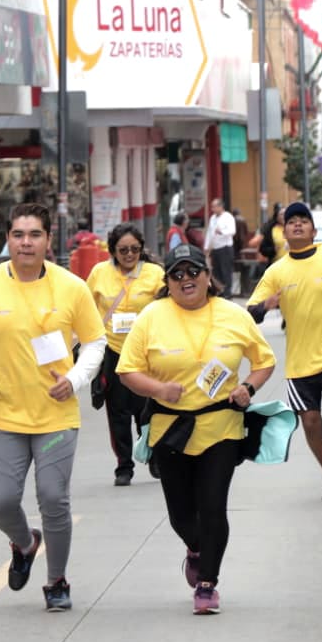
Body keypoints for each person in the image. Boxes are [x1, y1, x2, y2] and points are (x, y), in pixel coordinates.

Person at [0, 203, 106, 613]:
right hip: (5, 413)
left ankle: (56, 580)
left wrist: (75, 380)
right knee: (0, 501)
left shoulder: (71, 287)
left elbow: (95, 342)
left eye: (35, 234)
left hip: (56, 415)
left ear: (47, 240)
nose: (26, 242)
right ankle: (25, 543)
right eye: (19, 234)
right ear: (8, 239)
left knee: (53, 498)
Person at [117, 243, 276, 614]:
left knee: (213, 506)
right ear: (167, 282)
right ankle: (196, 547)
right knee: (181, 514)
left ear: (208, 277)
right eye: (177, 274)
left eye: (193, 272)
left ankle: (207, 584)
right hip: (170, 427)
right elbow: (127, 371)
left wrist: (248, 387)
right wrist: (159, 389)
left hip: (221, 425)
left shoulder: (234, 316)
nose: (186, 279)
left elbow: (264, 361)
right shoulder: (152, 316)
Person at [246, 202, 322, 500]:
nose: (298, 225)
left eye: (304, 220)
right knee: (310, 422)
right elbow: (250, 311)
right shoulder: (277, 271)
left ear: (313, 230)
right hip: (299, 361)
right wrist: (265, 306)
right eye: (292, 222)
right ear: (284, 231)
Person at [86, 223, 165, 486]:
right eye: (123, 250)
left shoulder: (155, 273)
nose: (129, 255)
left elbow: (168, 306)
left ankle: (154, 455)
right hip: (114, 351)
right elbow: (85, 307)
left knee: (149, 409)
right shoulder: (99, 273)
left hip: (146, 353)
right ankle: (124, 466)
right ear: (112, 251)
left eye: (134, 249)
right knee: (117, 412)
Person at [202, 198, 237, 297]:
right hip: (215, 248)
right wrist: (206, 246)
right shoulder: (212, 218)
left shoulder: (228, 217)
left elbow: (232, 231)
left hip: (225, 247)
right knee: (216, 271)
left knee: (225, 271)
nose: (212, 209)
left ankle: (227, 293)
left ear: (220, 207)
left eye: (214, 207)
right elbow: (209, 233)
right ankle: (219, 291)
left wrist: (222, 232)